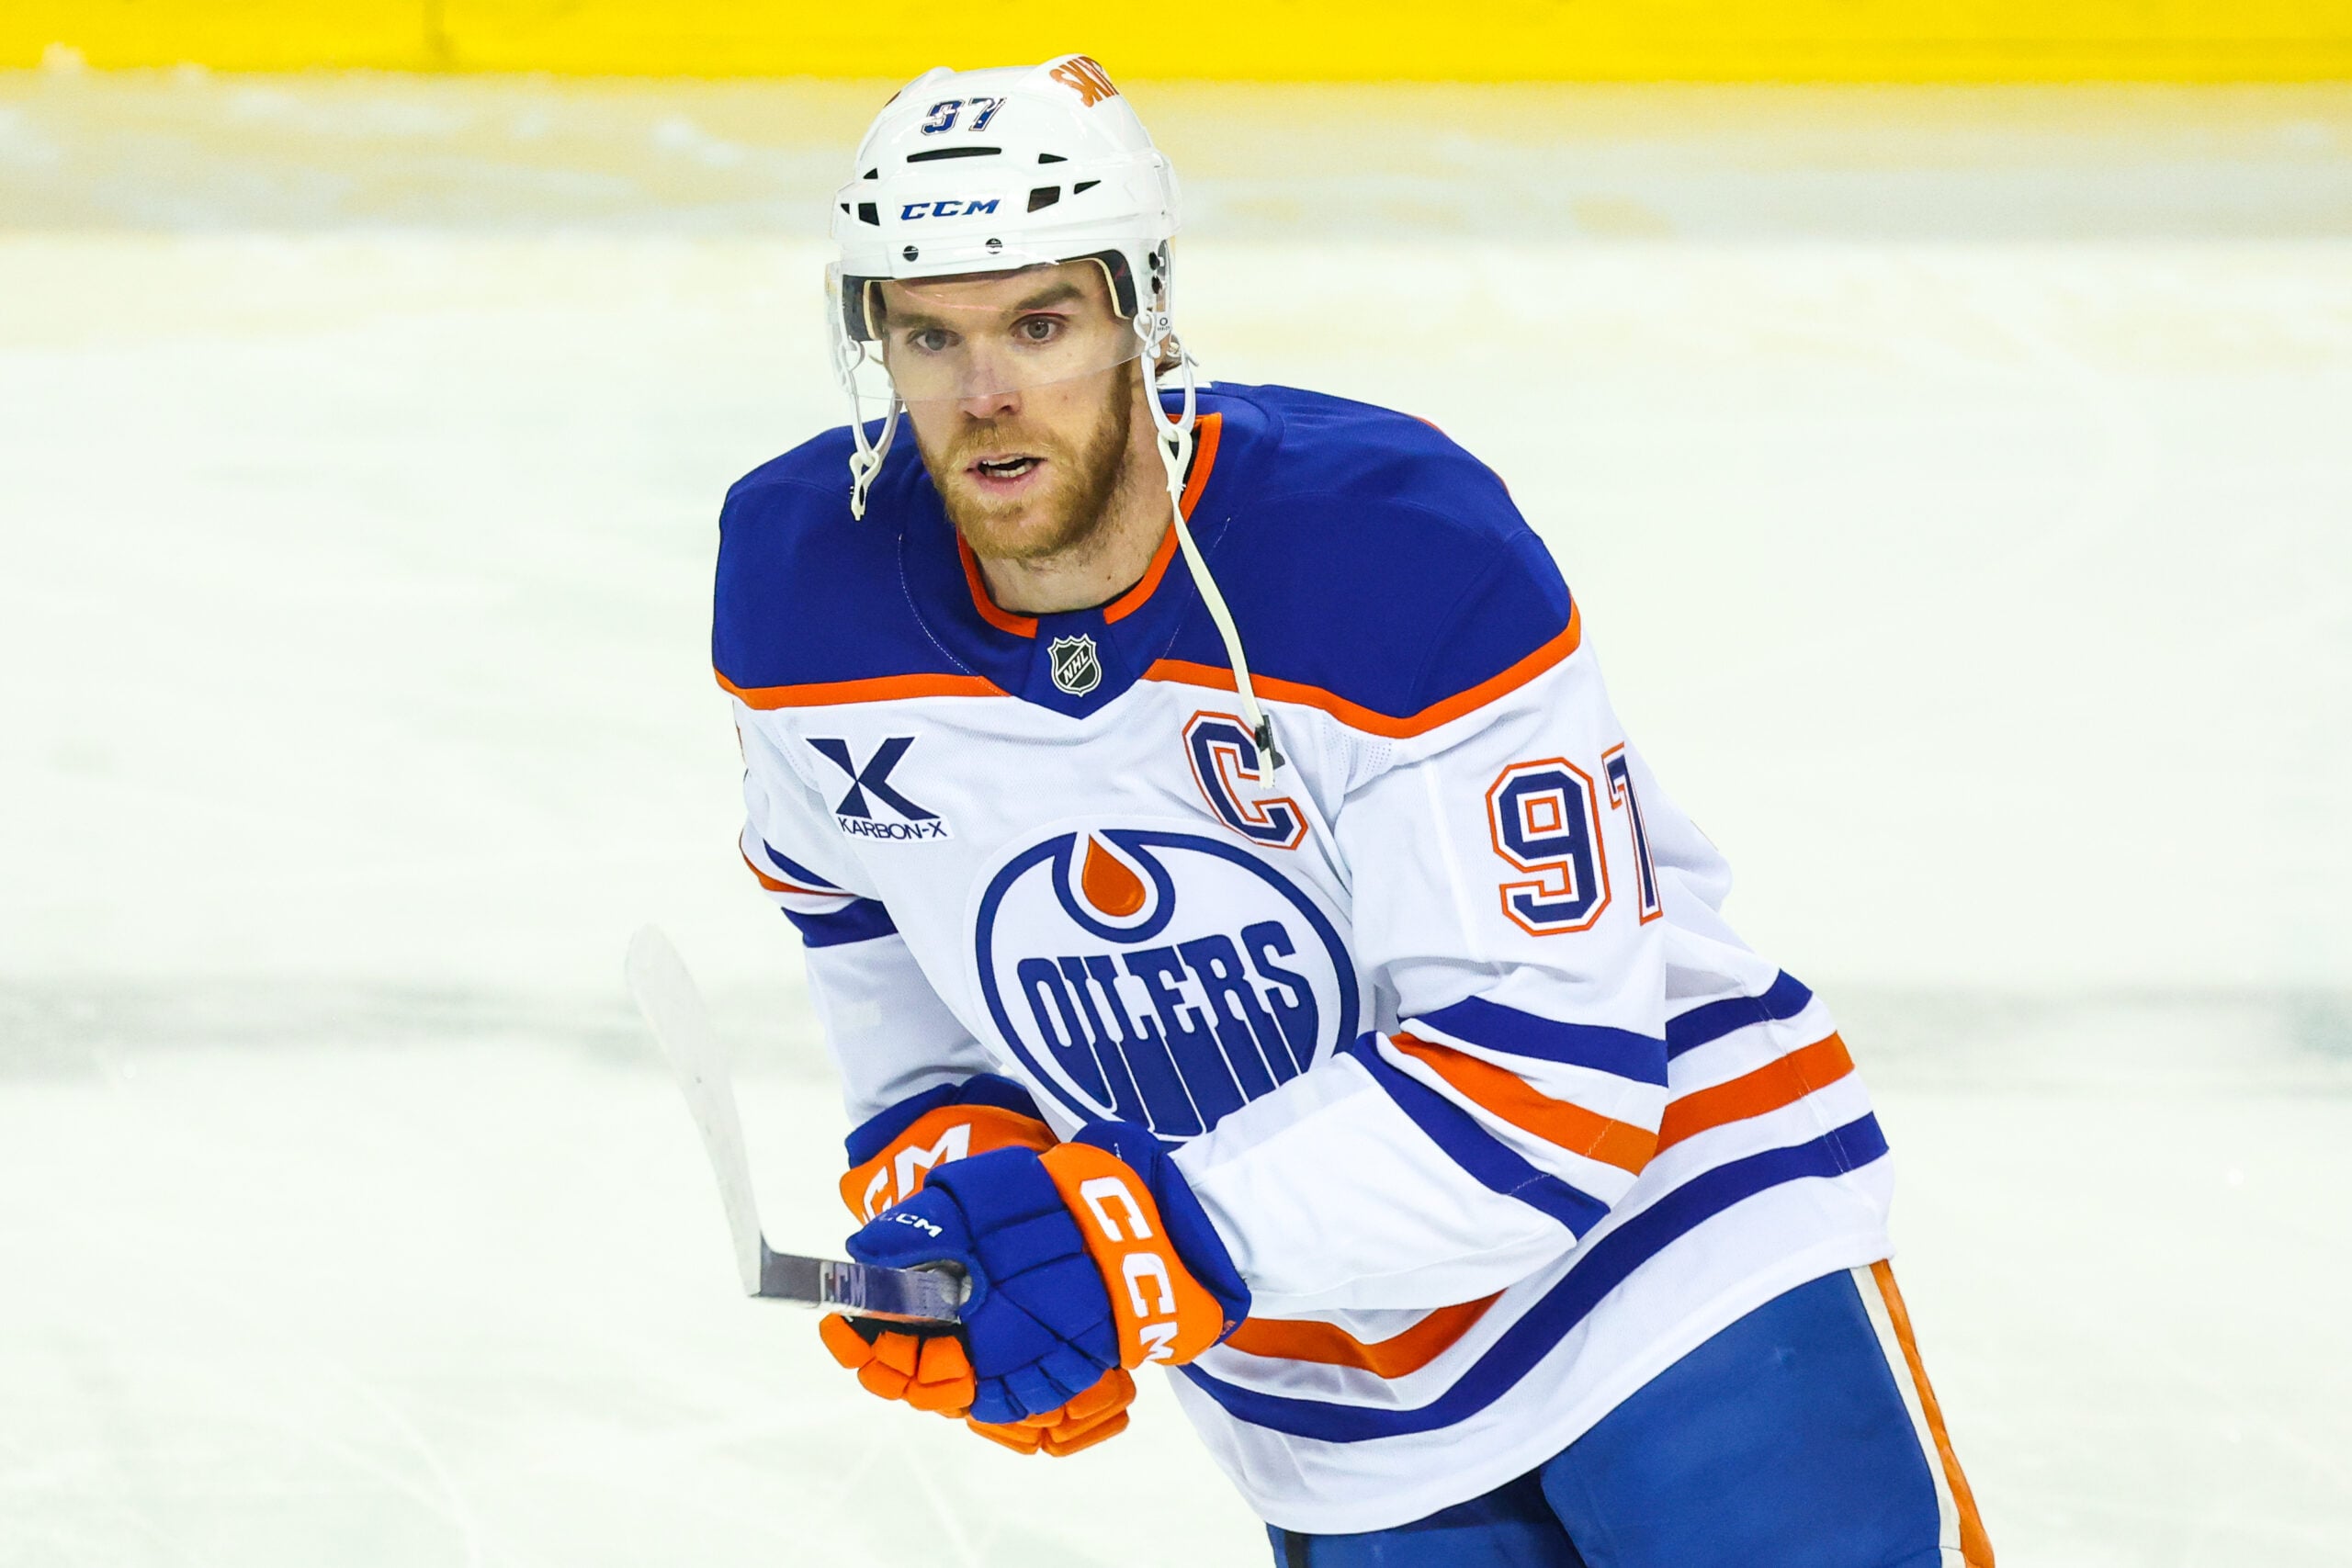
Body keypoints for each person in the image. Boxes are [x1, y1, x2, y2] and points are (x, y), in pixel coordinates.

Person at [712, 53, 1993, 1568]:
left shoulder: (1381, 547)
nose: (986, 397)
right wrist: (980, 1233)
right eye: (931, 337)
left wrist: (1125, 1249)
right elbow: (872, 932)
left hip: (1665, 1259)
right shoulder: (804, 587)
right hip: (1309, 1363)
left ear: (1142, 313)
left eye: (1040, 325)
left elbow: (1555, 1089)